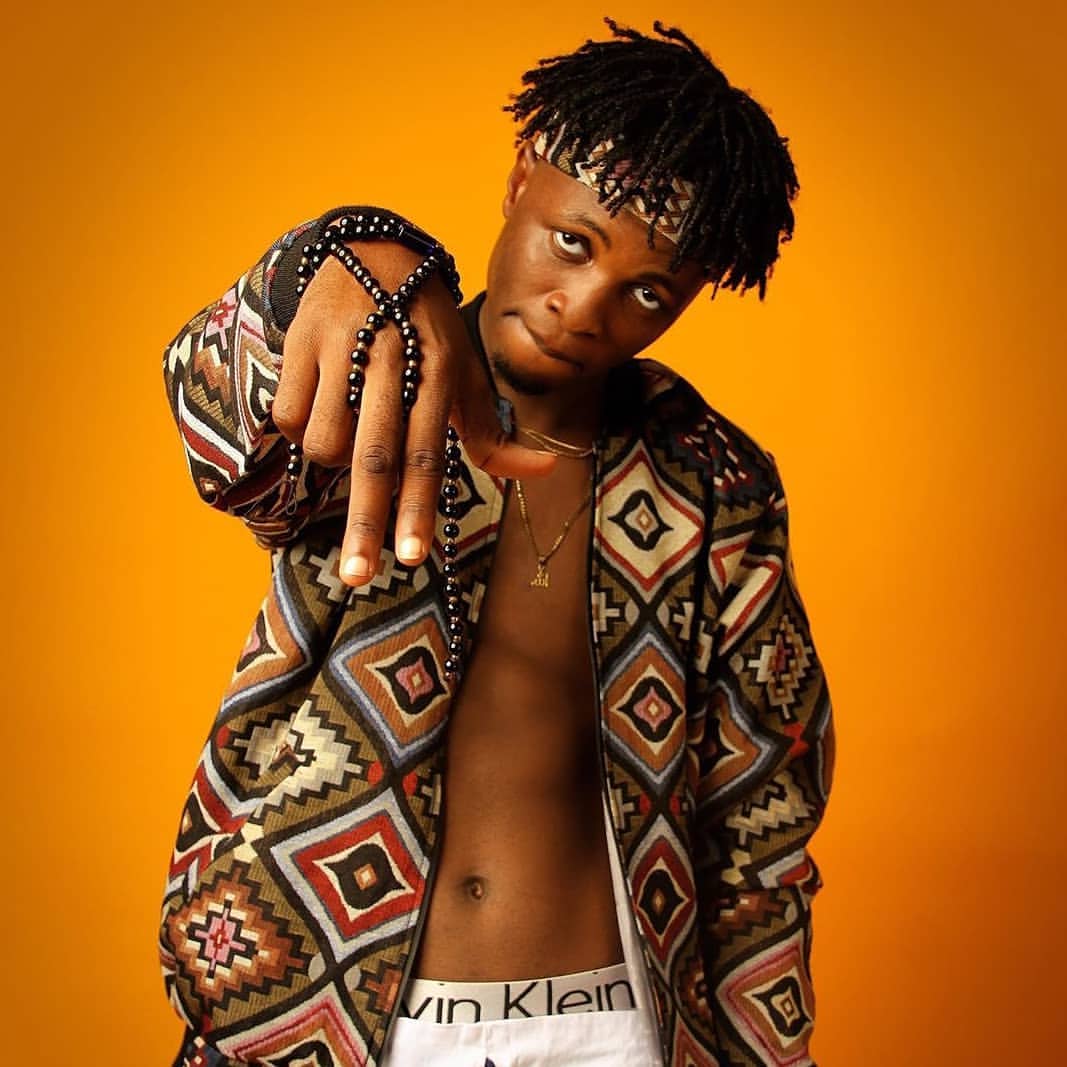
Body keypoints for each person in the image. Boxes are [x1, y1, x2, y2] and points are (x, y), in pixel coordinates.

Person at [158, 18, 835, 1067]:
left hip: (616, 1026)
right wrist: (349, 250)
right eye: (574, 242)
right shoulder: (382, 378)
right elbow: (220, 425)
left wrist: (767, 1048)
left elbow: (761, 816)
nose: (582, 308)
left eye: (646, 293)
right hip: (334, 1020)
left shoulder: (714, 484)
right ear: (522, 175)